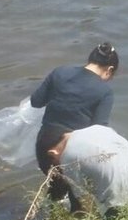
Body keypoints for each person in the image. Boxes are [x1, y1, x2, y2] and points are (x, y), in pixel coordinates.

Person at [32, 42, 119, 207]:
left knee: (55, 191)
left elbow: (36, 102)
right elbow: (98, 130)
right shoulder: (105, 92)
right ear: (109, 70)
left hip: (44, 147)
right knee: (78, 202)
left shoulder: (60, 72)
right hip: (73, 152)